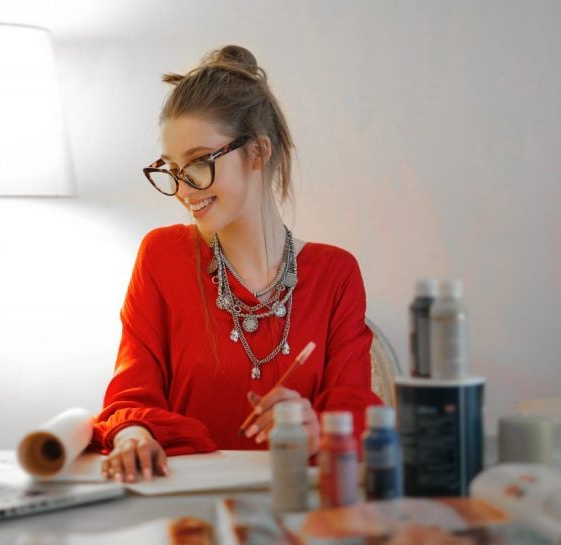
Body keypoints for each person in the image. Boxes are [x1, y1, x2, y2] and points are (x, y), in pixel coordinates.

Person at [91, 45, 382, 483]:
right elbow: (131, 395)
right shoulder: (162, 257)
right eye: (172, 168)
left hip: (296, 508)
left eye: (200, 162)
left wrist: (315, 426)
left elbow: (355, 409)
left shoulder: (335, 273)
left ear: (258, 153)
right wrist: (133, 434)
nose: (185, 189)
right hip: (185, 508)